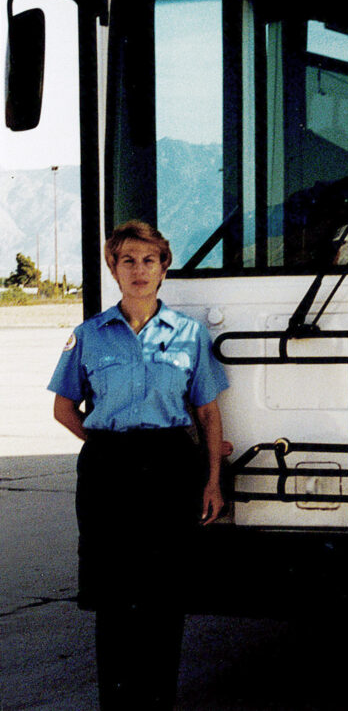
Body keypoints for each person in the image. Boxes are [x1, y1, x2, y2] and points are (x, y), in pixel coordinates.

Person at [48, 220, 229, 710]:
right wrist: (109, 443)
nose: (139, 270)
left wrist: (212, 480)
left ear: (164, 268)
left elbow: (209, 414)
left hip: (171, 467)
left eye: (149, 260)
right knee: (112, 595)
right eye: (127, 260)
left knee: (164, 597)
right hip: (108, 471)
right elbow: (65, 409)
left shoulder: (189, 335)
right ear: (112, 267)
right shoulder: (88, 335)